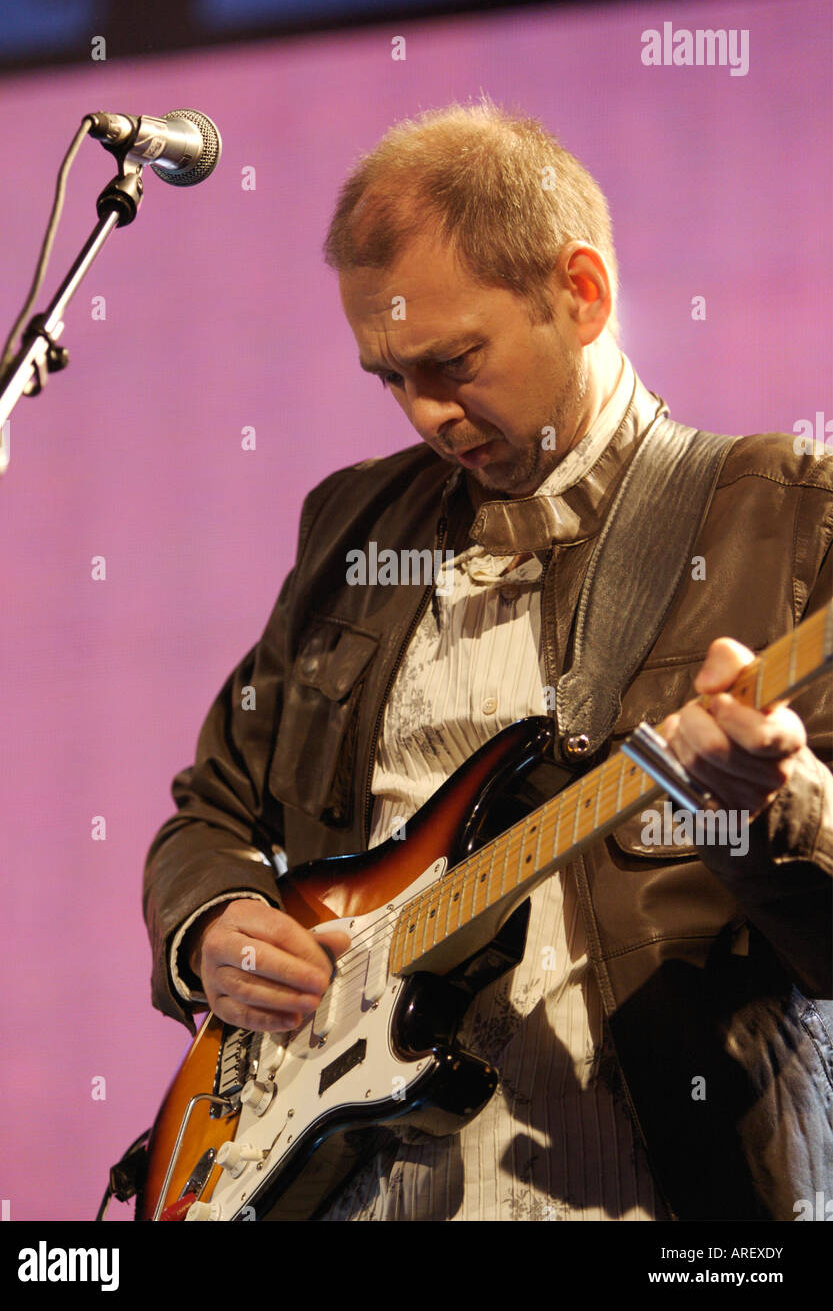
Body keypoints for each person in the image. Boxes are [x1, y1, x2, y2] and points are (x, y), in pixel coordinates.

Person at [143, 98, 832, 1222]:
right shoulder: (354, 525)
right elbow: (210, 804)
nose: (426, 412)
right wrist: (209, 923)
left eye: (453, 361)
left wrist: (775, 807)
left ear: (582, 291)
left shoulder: (791, 519)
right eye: (388, 376)